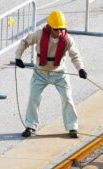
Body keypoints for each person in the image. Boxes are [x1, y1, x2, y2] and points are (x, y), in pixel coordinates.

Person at [15, 10, 87, 138]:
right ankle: (30, 125)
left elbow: (75, 55)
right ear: (49, 27)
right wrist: (18, 57)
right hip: (40, 73)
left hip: (59, 73)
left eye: (61, 29)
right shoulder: (39, 35)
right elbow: (25, 42)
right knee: (33, 97)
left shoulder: (68, 39)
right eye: (56, 29)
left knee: (67, 98)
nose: (59, 32)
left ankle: (72, 127)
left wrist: (80, 69)